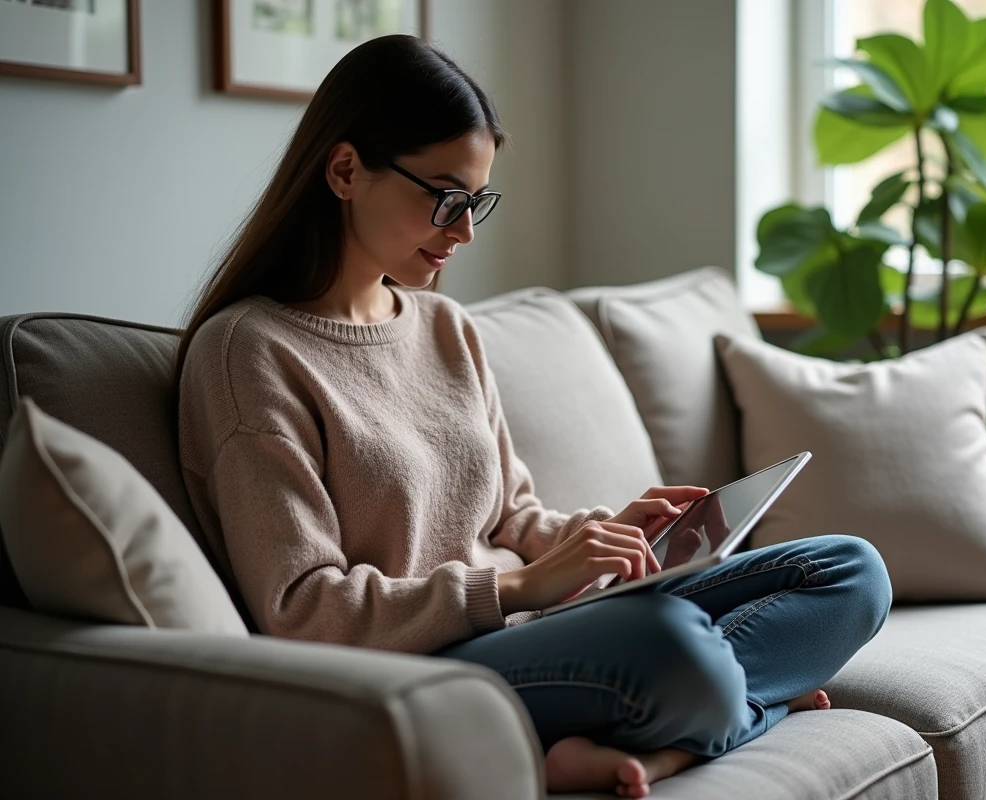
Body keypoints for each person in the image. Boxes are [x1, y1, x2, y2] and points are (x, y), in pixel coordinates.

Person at [173, 35, 893, 798]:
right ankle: (739, 705)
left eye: (477, 201)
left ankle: (689, 731)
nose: (465, 233)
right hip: (422, 667)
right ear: (346, 170)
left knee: (850, 571)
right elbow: (304, 611)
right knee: (677, 648)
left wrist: (608, 536)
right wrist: (517, 591)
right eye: (447, 199)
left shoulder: (445, 329)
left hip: (537, 628)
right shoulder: (249, 353)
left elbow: (511, 515)